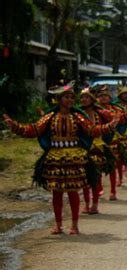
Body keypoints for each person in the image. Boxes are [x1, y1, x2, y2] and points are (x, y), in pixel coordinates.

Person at [3, 83, 118, 234]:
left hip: (75, 157)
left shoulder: (77, 116)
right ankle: (58, 225)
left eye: (72, 97)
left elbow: (92, 130)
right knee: (56, 192)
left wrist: (110, 126)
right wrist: (15, 126)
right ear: (59, 99)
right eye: (66, 97)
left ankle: (75, 225)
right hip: (55, 157)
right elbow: (34, 129)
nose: (70, 100)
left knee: (72, 191)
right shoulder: (50, 117)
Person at [79, 87, 115, 214]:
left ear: (92, 99)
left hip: (97, 147)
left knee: (94, 177)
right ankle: (86, 203)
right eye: (82, 97)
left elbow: (113, 121)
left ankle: (94, 204)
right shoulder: (77, 113)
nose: (83, 99)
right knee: (83, 178)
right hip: (81, 148)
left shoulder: (101, 113)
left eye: (87, 97)